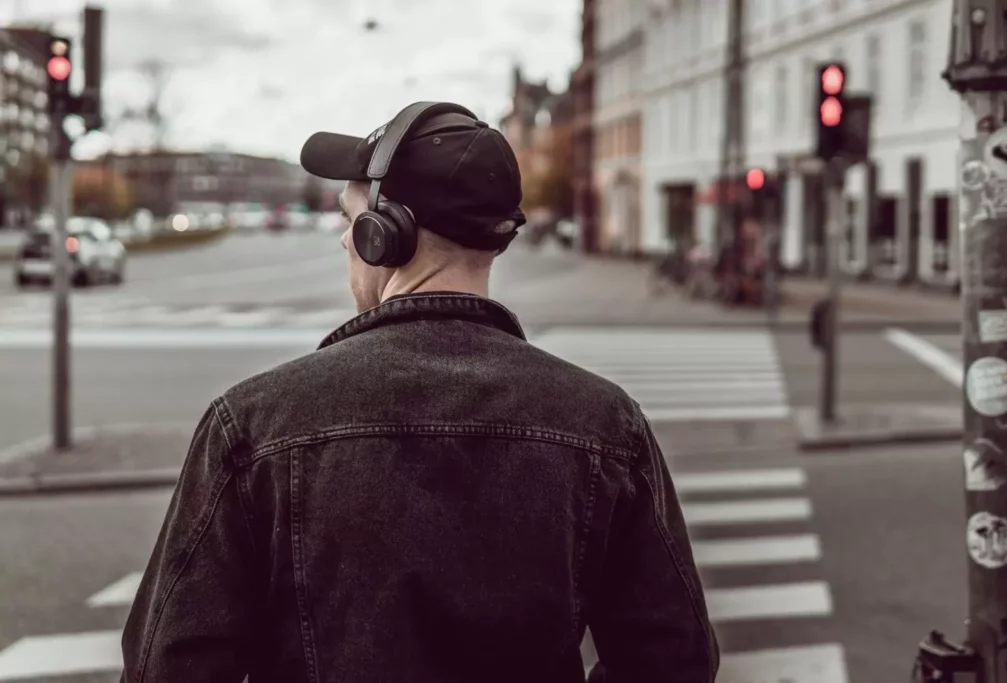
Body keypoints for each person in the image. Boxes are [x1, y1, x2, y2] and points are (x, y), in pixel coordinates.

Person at [120, 101, 719, 683]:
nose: (345, 241)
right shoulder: (605, 425)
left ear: (384, 235)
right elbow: (673, 662)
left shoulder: (252, 426)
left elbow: (167, 668)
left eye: (350, 219)